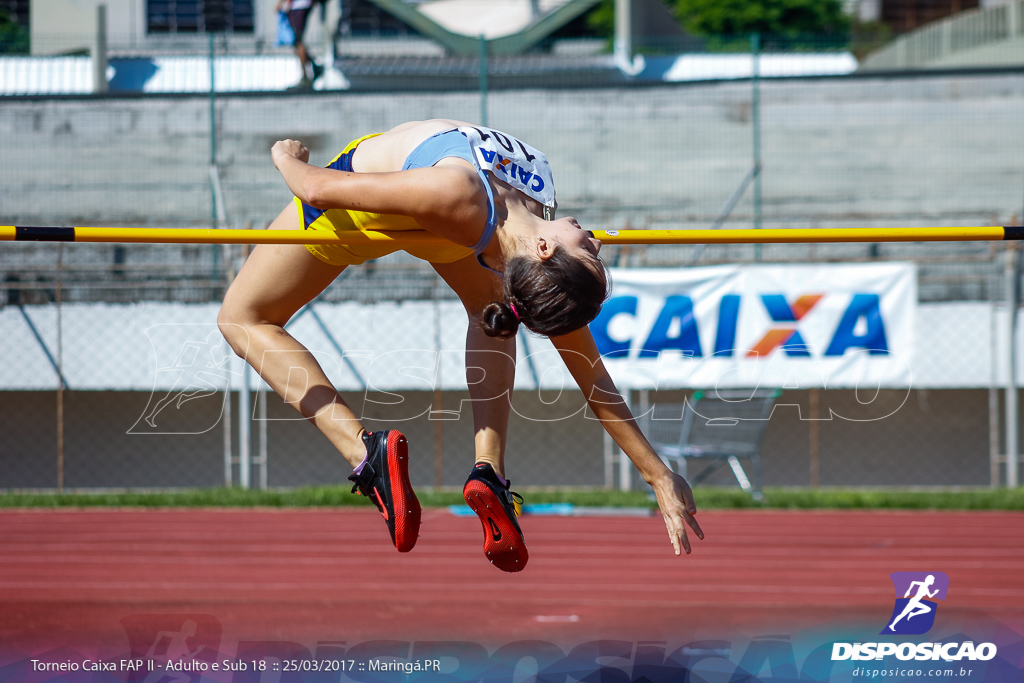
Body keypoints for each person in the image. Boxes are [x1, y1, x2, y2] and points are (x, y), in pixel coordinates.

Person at [217, 119, 704, 572]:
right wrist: (657, 474)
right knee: (488, 307)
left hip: (365, 212)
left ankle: (367, 453)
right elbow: (589, 370)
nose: (597, 242)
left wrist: (286, 156)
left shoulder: (481, 203)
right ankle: (488, 471)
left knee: (241, 319)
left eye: (588, 253)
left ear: (545, 250)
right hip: (443, 221)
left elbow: (315, 187)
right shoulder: (525, 227)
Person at [276, 0, 324, 86]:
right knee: (296, 41)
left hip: (299, 6)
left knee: (297, 41)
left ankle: (305, 75)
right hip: (298, 6)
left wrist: (280, 3)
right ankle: (314, 66)